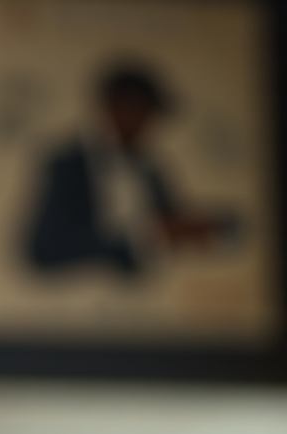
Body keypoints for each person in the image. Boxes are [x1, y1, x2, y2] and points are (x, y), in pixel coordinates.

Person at [25, 63, 239, 275]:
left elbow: (172, 220)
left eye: (149, 114)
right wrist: (142, 236)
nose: (145, 123)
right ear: (112, 106)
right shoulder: (67, 164)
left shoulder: (150, 169)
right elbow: (45, 248)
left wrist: (204, 229)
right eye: (137, 110)